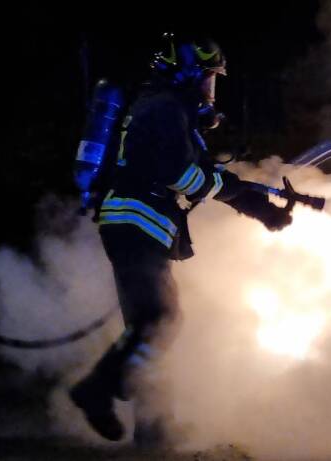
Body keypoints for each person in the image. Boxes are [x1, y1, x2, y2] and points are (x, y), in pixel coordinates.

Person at [70, 33, 293, 444]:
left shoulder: (169, 111)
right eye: (208, 77)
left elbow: (206, 175)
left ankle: (154, 426)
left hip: (140, 228)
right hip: (136, 224)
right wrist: (231, 189)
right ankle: (99, 391)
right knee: (158, 321)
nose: (211, 90)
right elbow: (183, 175)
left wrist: (260, 208)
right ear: (187, 74)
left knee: (154, 325)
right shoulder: (165, 108)